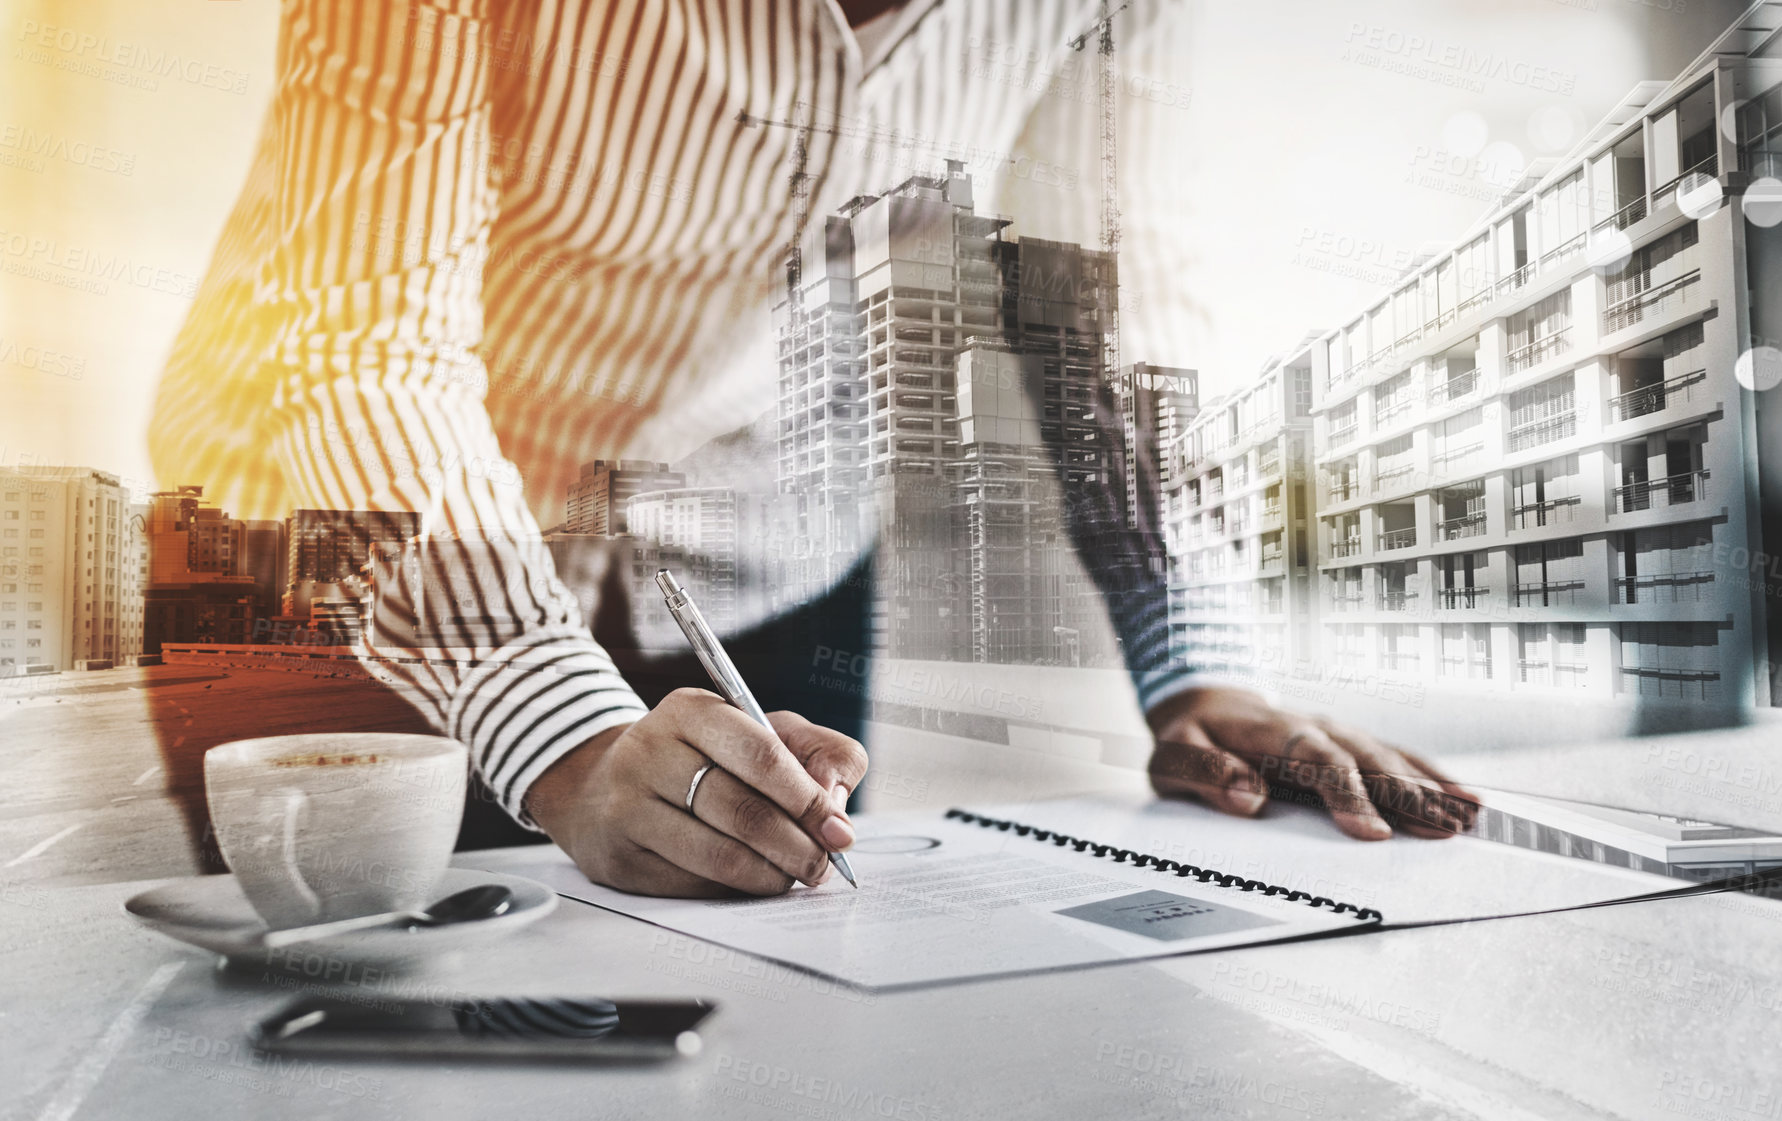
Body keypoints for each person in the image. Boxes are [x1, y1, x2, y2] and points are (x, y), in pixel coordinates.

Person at [150, 0, 1475, 898]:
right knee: (348, 1025)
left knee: (768, 1010)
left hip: (756, 550)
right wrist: (563, 742)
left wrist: (1203, 674)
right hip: (323, 537)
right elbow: (357, 345)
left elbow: (1101, 311)